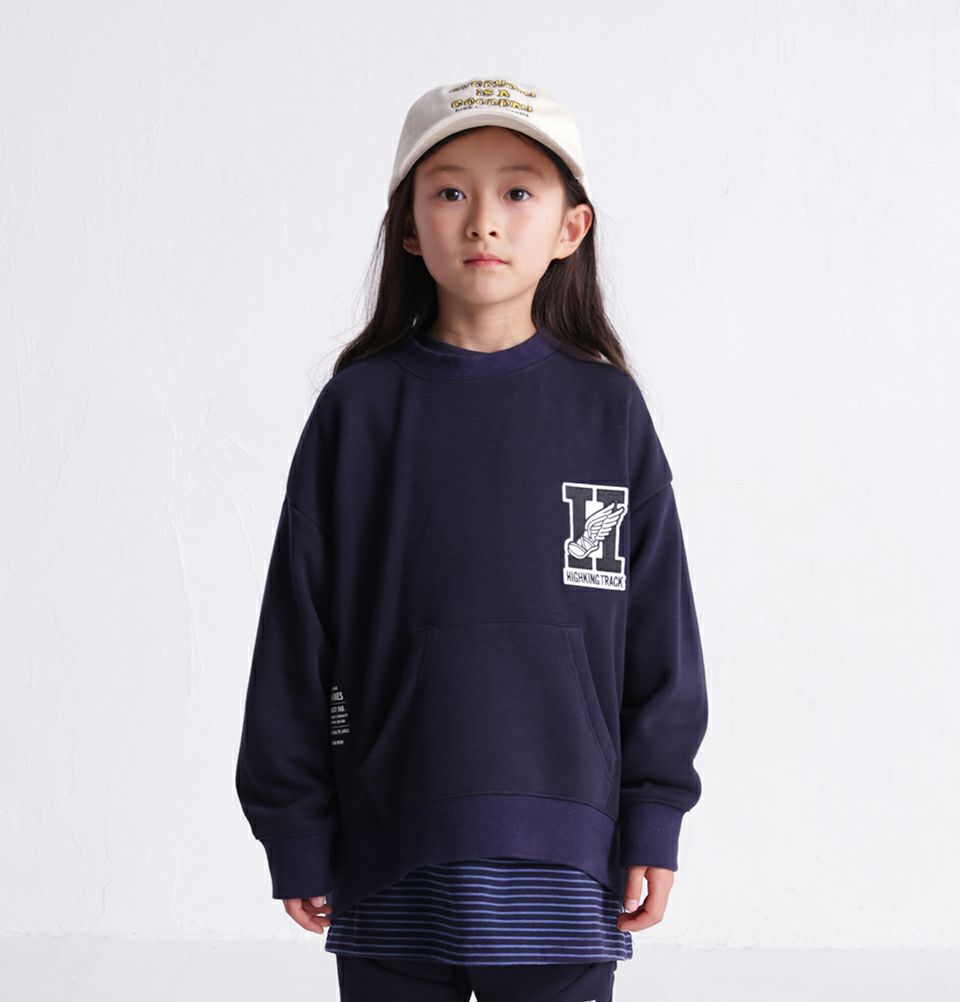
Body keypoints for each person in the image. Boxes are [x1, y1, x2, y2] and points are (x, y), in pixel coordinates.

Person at [235, 74, 709, 1002]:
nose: (483, 220)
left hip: (569, 854)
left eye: (518, 192)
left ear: (571, 228)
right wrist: (294, 824)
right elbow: (296, 634)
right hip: (389, 843)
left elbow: (660, 636)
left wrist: (654, 815)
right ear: (409, 229)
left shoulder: (607, 413)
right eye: (450, 191)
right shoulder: (358, 412)